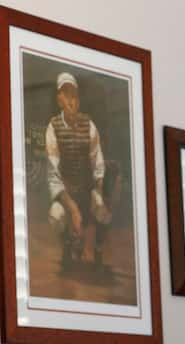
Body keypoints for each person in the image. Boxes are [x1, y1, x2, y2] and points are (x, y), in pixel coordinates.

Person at [45, 71, 112, 268]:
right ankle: (68, 244)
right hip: (67, 195)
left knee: (103, 211)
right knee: (56, 215)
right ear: (59, 99)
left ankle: (97, 248)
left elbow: (97, 165)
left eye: (74, 94)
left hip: (87, 190)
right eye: (65, 94)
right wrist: (73, 210)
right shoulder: (53, 127)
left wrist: (99, 192)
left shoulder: (89, 125)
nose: (71, 99)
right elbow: (53, 177)